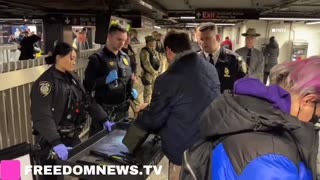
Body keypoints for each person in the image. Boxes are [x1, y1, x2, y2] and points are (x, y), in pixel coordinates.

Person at [181, 57, 320, 180]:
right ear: (307, 101)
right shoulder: (272, 158)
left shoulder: (245, 115)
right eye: (317, 115)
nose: (313, 122)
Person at [132, 31, 221, 179]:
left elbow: (155, 120)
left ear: (168, 51)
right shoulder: (210, 69)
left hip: (183, 154)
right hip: (209, 149)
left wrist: (143, 112)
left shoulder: (167, 79)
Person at [30, 42, 112, 180]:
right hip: (51, 141)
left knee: (85, 170)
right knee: (52, 177)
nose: (74, 62)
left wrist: (103, 118)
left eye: (75, 58)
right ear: (58, 57)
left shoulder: (72, 78)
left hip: (71, 136)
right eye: (71, 58)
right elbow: (42, 115)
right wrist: (56, 142)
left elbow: (87, 100)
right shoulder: (46, 82)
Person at [84, 24, 138, 137]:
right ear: (109, 36)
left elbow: (127, 80)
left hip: (122, 112)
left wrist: (131, 91)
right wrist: (104, 80)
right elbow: (87, 86)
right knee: (99, 146)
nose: (122, 43)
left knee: (119, 144)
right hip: (104, 113)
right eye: (118, 39)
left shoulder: (125, 57)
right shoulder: (97, 59)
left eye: (124, 40)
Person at [198, 22, 247, 93]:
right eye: (201, 39)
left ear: (217, 38)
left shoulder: (235, 60)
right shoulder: (195, 61)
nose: (203, 42)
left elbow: (244, 86)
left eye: (207, 38)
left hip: (226, 103)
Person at [140, 35, 161, 103]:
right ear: (148, 42)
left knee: (154, 90)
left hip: (155, 73)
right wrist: (154, 72)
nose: (154, 42)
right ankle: (147, 106)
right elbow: (146, 64)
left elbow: (158, 60)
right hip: (148, 74)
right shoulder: (144, 51)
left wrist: (158, 71)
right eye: (153, 41)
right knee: (148, 92)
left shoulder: (153, 50)